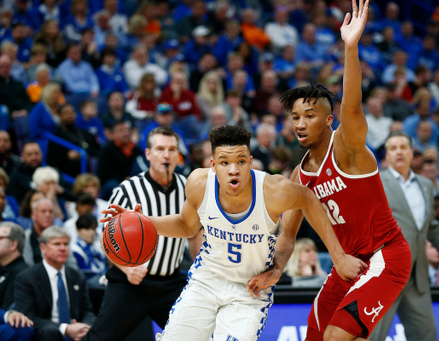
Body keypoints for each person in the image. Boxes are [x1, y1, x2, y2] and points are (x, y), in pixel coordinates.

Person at [103, 124, 365, 341]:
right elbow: (186, 226)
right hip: (206, 281)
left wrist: (338, 256)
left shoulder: (273, 191)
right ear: (213, 164)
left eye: (241, 161)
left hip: (249, 291)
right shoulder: (198, 183)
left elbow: (309, 198)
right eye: (225, 162)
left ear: (250, 161)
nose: (233, 170)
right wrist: (143, 221)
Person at [249, 3, 413, 340]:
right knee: (314, 335)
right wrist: (276, 269)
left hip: (385, 256)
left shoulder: (348, 149)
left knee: (336, 336)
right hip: (347, 263)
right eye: (295, 117)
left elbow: (352, 106)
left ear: (328, 119)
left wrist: (350, 48)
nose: (300, 123)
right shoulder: (299, 176)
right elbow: (288, 236)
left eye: (309, 115)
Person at [82, 127, 204, 341]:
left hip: (171, 283)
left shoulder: (189, 189)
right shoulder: (127, 189)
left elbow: (195, 234)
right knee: (100, 338)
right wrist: (127, 269)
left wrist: (200, 270)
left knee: (195, 338)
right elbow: (106, 240)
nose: (166, 155)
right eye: (160, 149)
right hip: (130, 283)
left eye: (172, 149)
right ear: (148, 154)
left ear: (178, 155)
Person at [369, 132, 439, 341]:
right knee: (372, 336)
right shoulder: (375, 182)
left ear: (412, 153)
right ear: (387, 155)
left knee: (426, 334)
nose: (399, 152)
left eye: (403, 147)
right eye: (393, 148)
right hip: (385, 274)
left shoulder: (426, 184)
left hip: (416, 276)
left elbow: (432, 226)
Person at [15, 226, 96, 341]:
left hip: (77, 331)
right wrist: (65, 328)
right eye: (57, 244)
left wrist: (86, 326)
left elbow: (87, 311)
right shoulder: (27, 278)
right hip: (46, 332)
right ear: (43, 248)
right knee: (50, 332)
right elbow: (28, 316)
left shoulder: (77, 276)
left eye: (66, 244)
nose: (62, 248)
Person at [0, 222, 29, 310]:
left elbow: (8, 311)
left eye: (0, 238)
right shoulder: (2, 267)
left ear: (13, 245)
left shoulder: (22, 274)